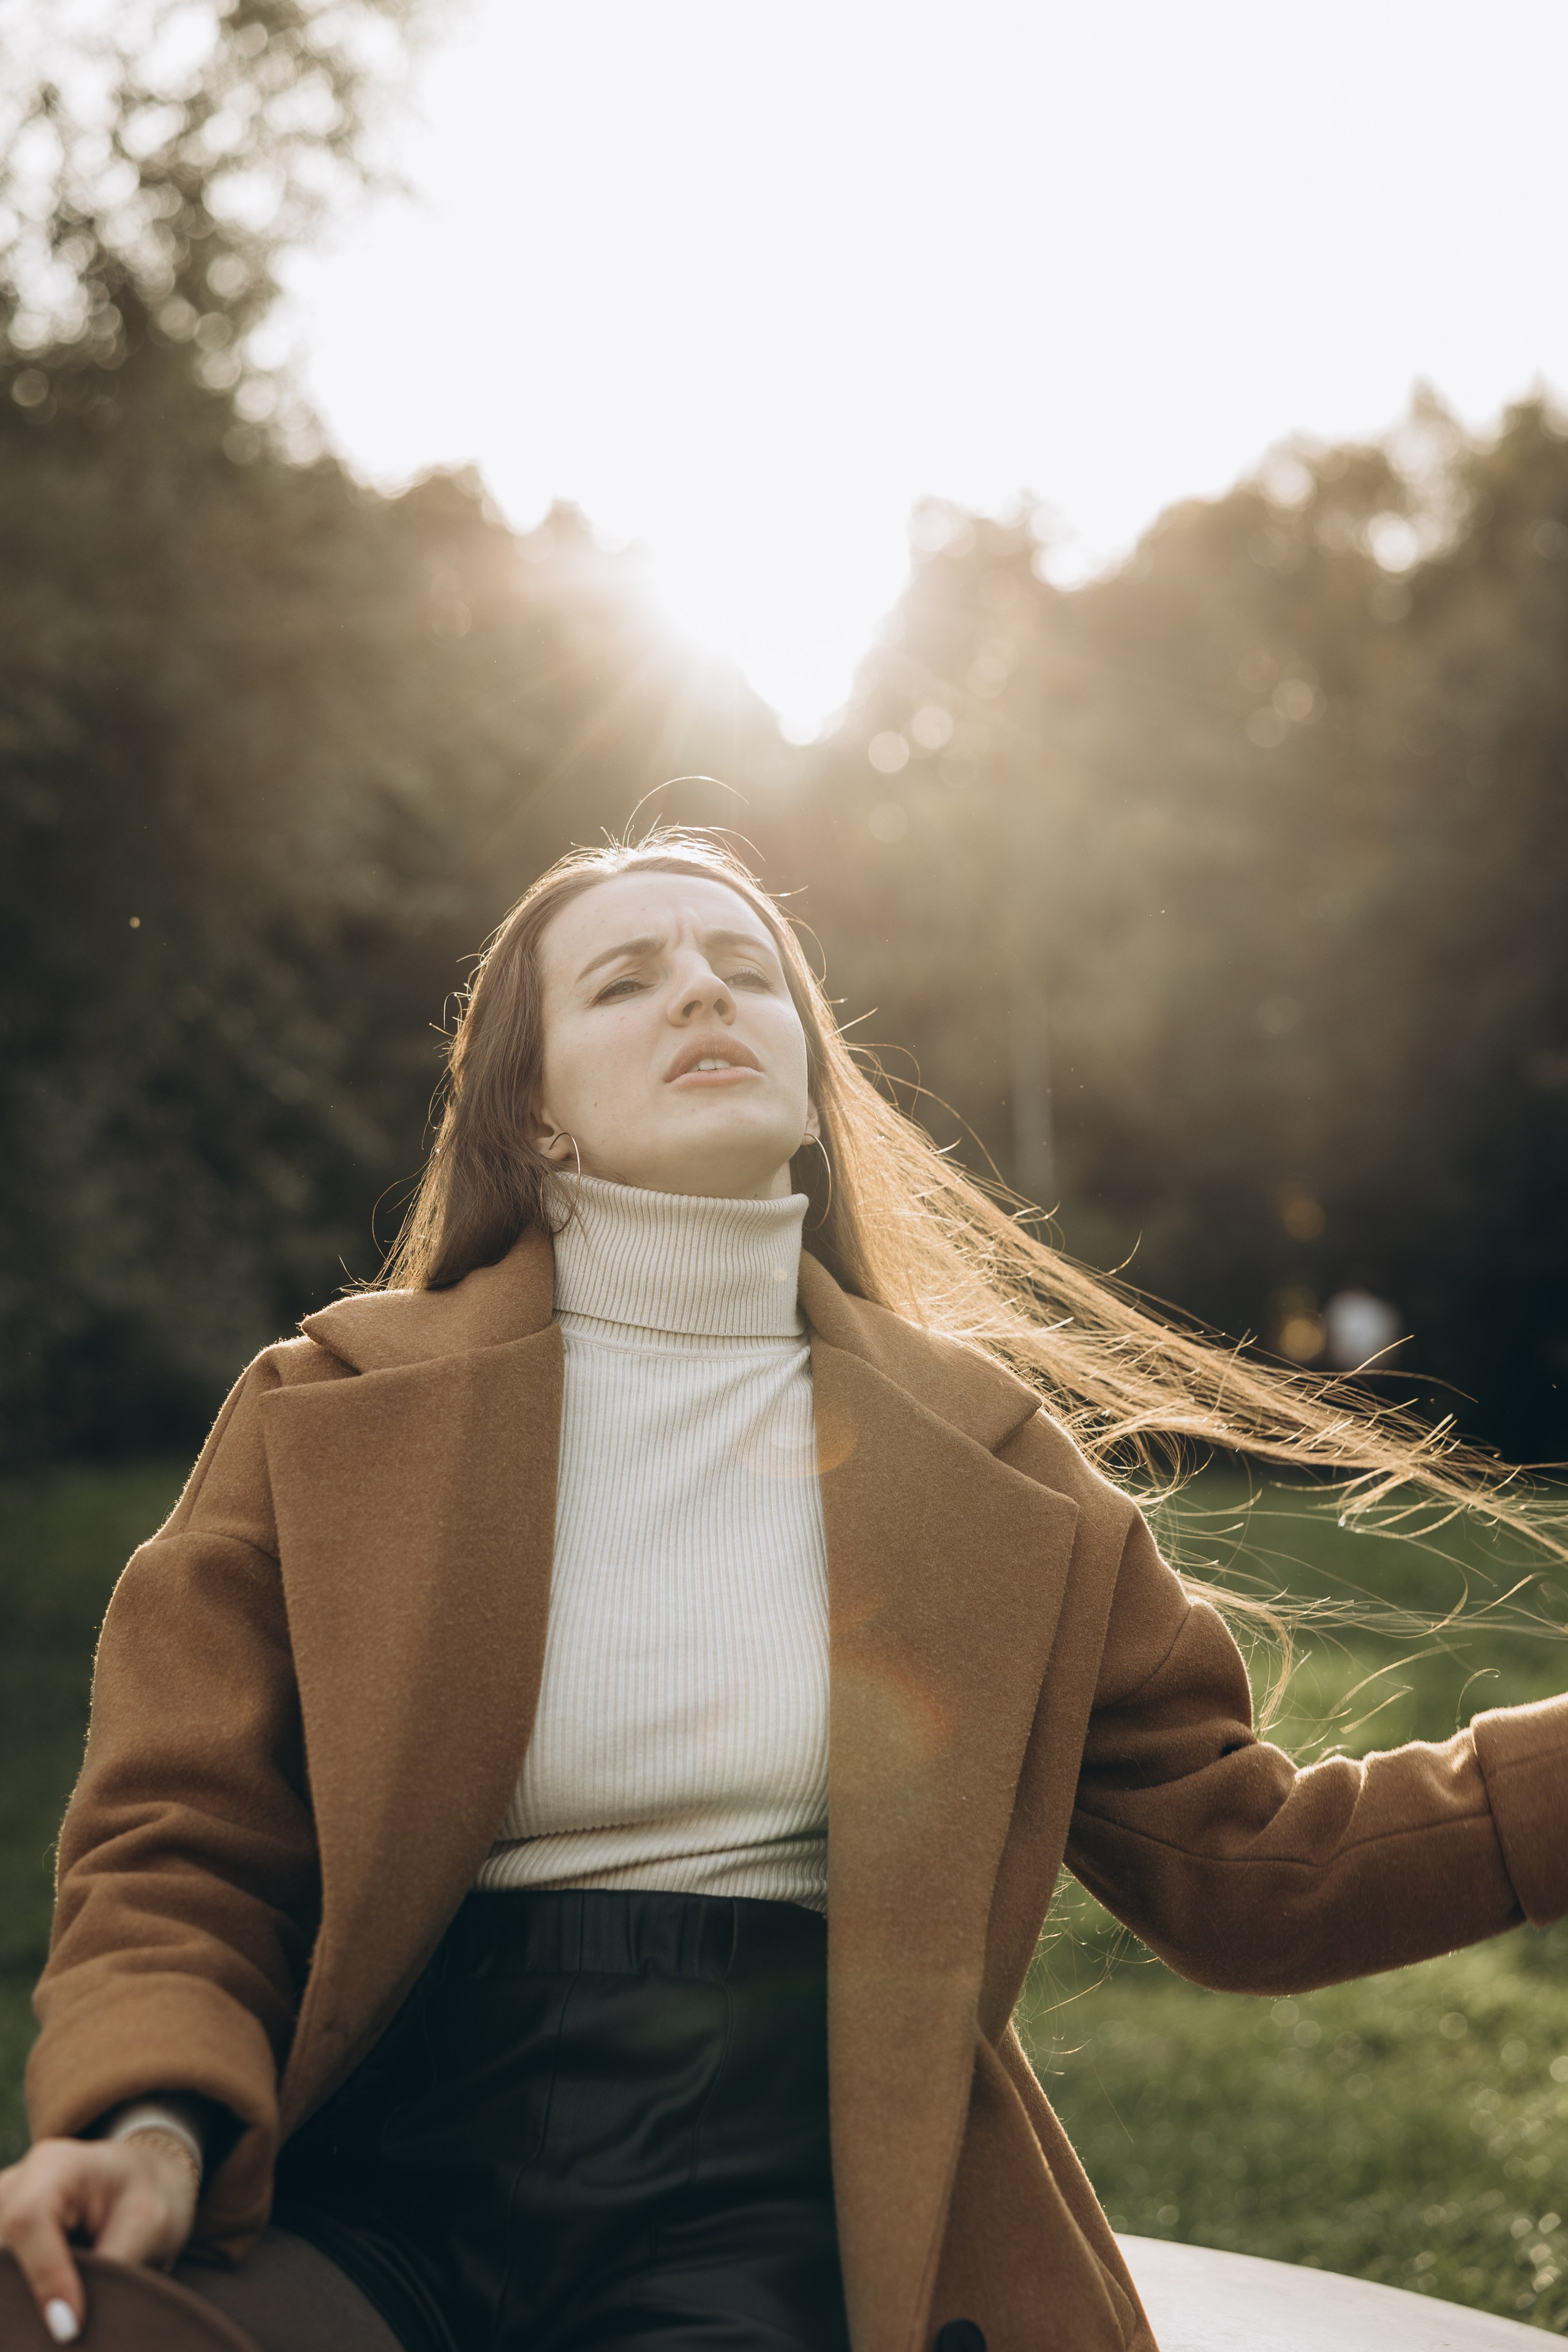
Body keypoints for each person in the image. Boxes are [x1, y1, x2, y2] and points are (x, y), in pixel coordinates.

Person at [2, 829, 1566, 2352]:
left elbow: (1250, 1870)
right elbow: (183, 1835)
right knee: (66, 2316)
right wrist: (149, 2123)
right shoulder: (324, 1409)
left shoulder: (990, 1461)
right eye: (626, 980)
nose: (701, 990)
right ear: (530, 1115)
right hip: (372, 2175)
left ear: (810, 1080)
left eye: (745, 971)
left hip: (769, 2199)